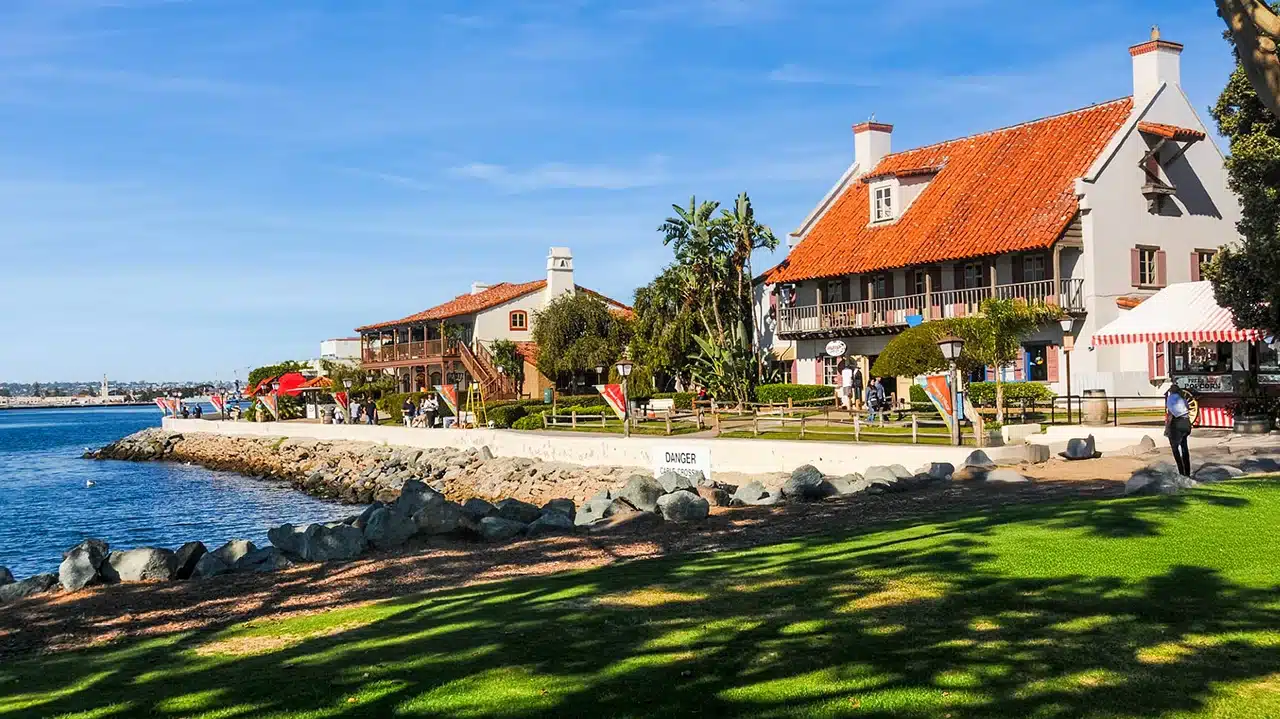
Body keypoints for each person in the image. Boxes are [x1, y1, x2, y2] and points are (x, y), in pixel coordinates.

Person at [1165, 386, 1193, 476]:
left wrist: (1167, 428)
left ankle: (1181, 471)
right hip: (1186, 423)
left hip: (1178, 422)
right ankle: (1187, 471)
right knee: (1184, 447)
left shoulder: (1171, 399)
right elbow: (1187, 409)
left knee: (1175, 448)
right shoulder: (1182, 398)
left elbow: (1170, 415)